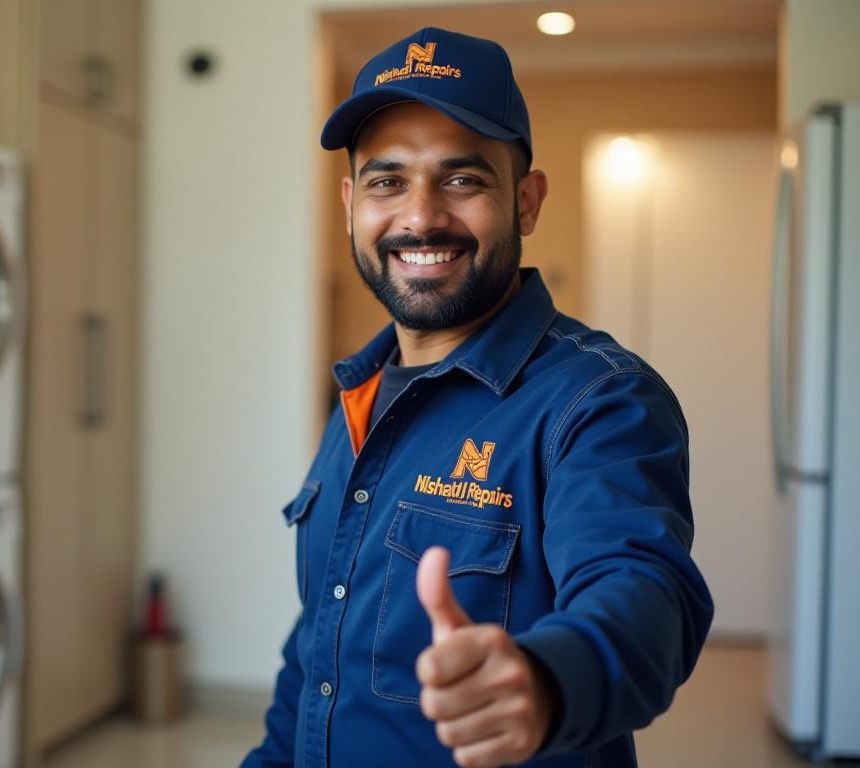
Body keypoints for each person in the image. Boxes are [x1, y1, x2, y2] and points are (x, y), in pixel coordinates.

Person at [242, 26, 713, 768]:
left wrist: (550, 678)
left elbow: (644, 591)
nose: (421, 216)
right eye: (387, 180)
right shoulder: (359, 396)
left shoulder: (598, 402)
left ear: (526, 201)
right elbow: (315, 655)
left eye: (463, 179)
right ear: (350, 202)